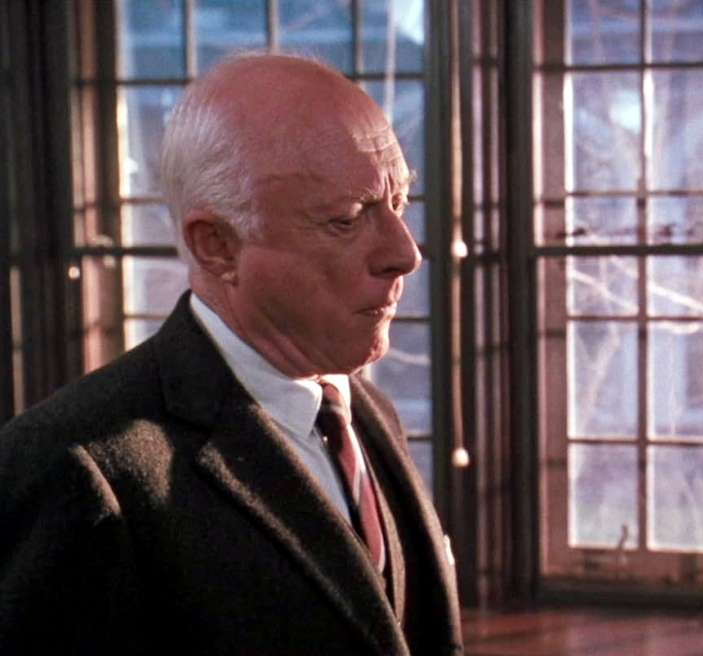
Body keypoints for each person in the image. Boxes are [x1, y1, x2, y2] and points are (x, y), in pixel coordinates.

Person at [0, 54, 462, 655]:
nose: (405, 254)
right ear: (216, 246)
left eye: (397, 204)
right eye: (347, 219)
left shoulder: (367, 412)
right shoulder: (71, 467)